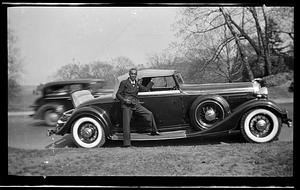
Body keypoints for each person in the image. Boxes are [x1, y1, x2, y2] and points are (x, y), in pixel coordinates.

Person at [116, 68, 160, 147]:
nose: (133, 75)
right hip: (127, 105)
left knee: (149, 114)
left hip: (135, 104)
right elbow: (118, 94)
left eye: (135, 74)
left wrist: (151, 82)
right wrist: (124, 100)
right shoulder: (124, 82)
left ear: (136, 75)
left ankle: (154, 131)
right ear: (129, 74)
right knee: (126, 125)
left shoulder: (137, 83)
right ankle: (127, 144)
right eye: (132, 74)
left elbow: (146, 89)